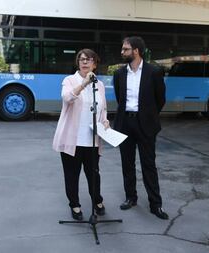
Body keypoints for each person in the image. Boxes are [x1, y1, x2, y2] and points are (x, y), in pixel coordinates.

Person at [113, 36, 169, 220]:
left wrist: (148, 116)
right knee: (127, 164)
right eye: (123, 49)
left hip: (145, 124)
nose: (122, 52)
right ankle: (131, 198)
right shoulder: (119, 73)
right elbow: (120, 99)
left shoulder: (154, 72)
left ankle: (156, 204)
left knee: (149, 165)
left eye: (125, 49)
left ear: (136, 51)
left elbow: (160, 99)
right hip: (125, 124)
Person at [53, 49, 110, 221]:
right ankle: (75, 205)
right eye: (82, 59)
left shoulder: (99, 85)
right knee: (72, 175)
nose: (85, 62)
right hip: (73, 139)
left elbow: (103, 108)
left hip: (92, 139)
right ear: (78, 62)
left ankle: (97, 200)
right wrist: (84, 83)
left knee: (94, 174)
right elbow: (67, 98)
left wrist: (105, 121)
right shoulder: (70, 80)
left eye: (89, 59)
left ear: (95, 63)